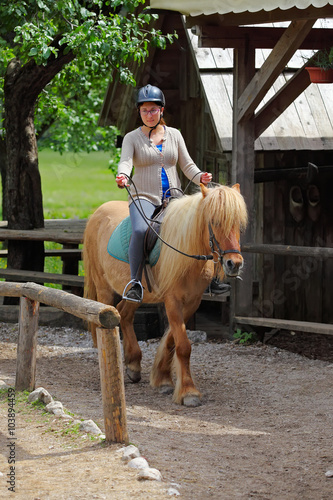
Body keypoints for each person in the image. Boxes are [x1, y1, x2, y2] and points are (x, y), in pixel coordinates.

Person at [116, 84, 212, 302]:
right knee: (141, 230)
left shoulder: (175, 135)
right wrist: (122, 176)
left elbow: (188, 166)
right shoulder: (131, 138)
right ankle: (135, 282)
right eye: (144, 110)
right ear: (138, 112)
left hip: (175, 198)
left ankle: (208, 278)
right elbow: (126, 162)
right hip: (143, 198)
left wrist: (201, 177)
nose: (149, 115)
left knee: (199, 227)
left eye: (153, 110)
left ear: (161, 110)